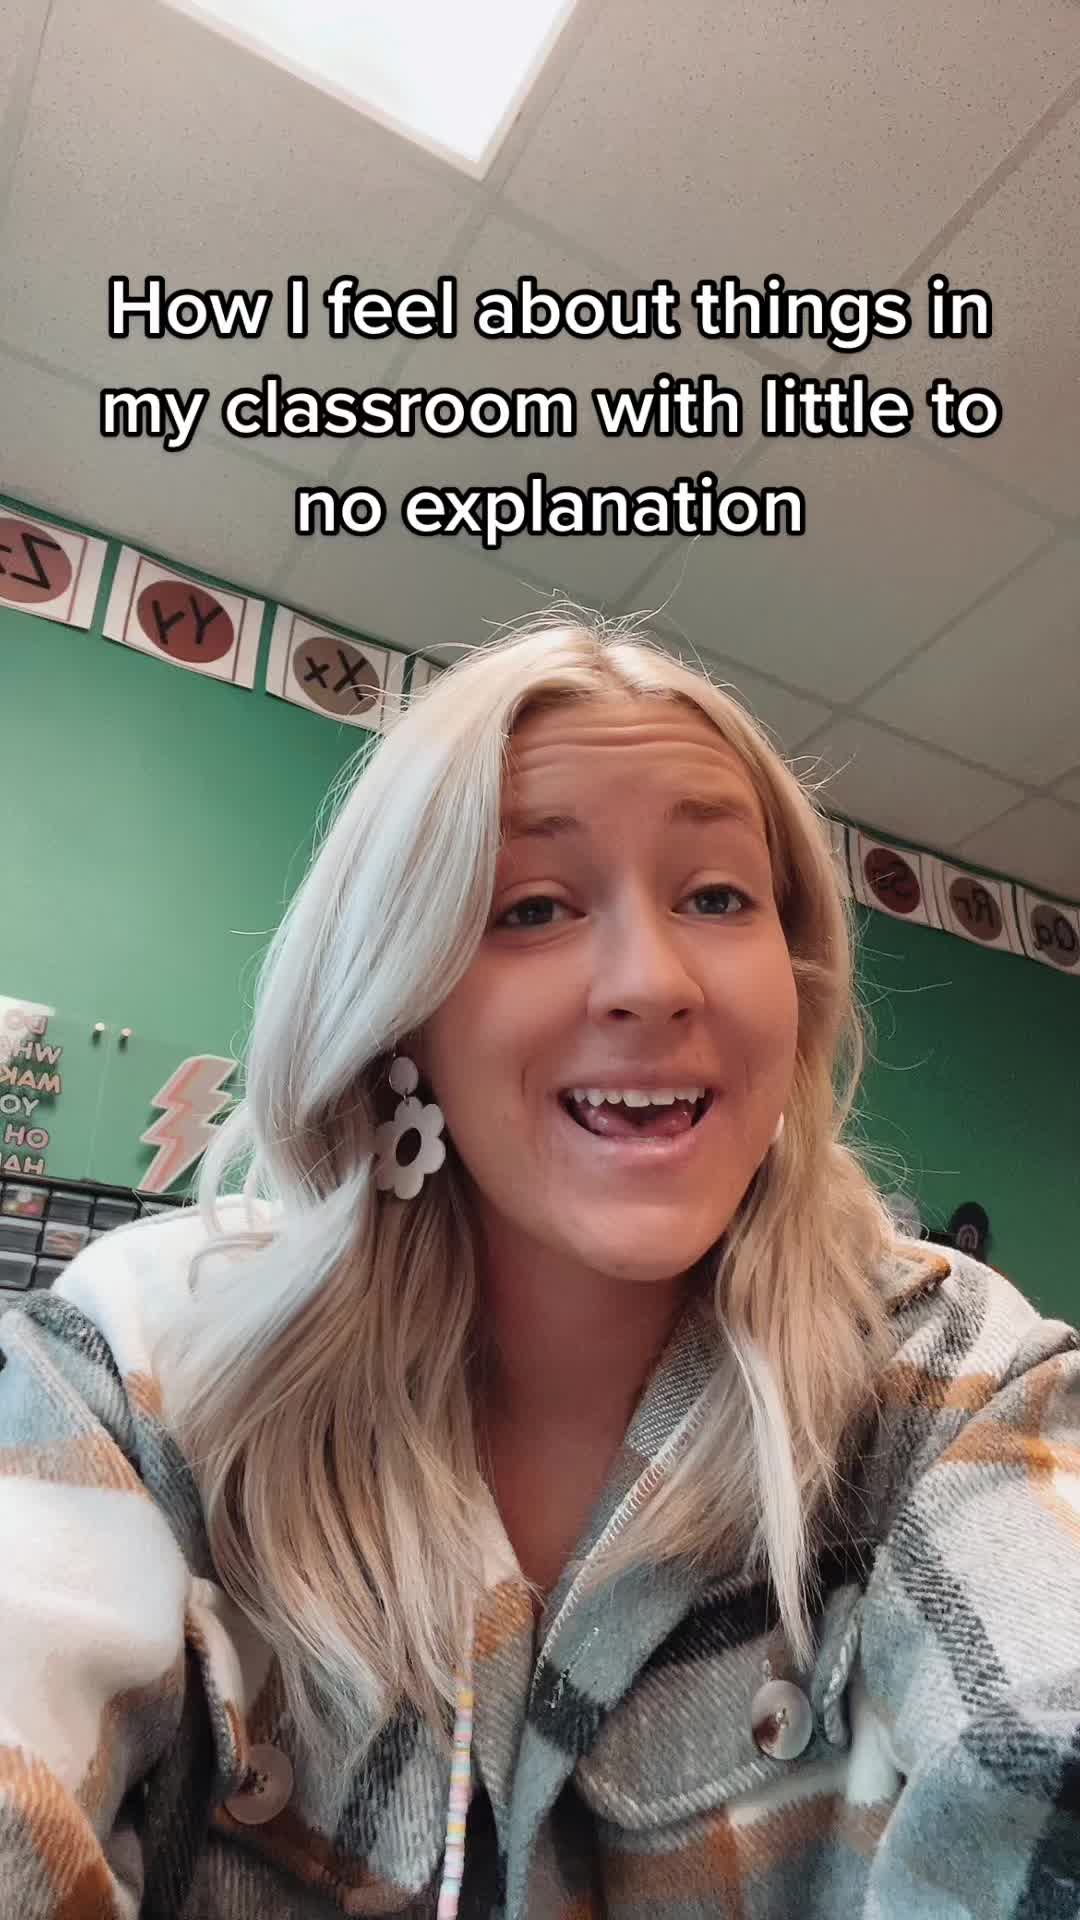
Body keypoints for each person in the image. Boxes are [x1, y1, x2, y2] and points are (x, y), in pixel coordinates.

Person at [1, 617, 1077, 1920]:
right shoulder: (144, 1362)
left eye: (717, 897)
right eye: (533, 907)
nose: (651, 982)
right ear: (400, 1010)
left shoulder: (947, 1372)